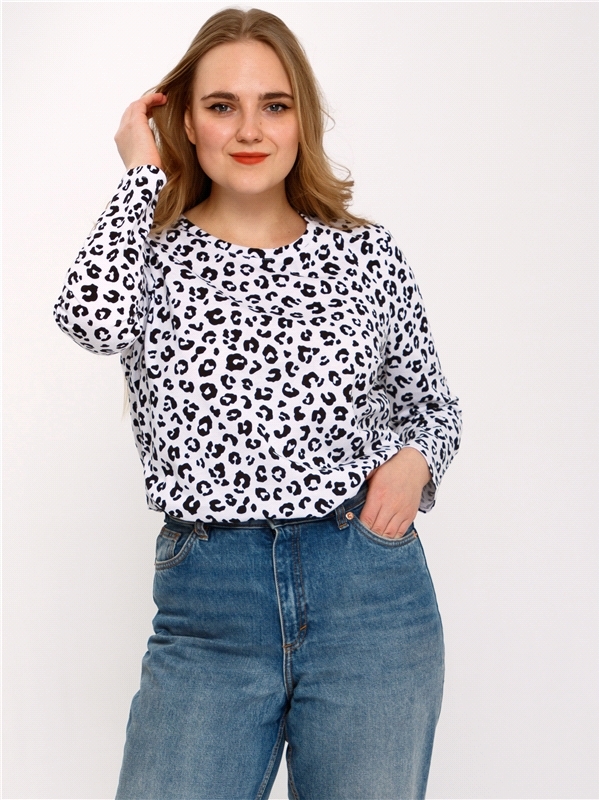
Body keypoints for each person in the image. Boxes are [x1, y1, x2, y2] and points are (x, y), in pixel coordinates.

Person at [54, 8, 462, 799]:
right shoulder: (150, 255)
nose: (249, 129)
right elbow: (89, 320)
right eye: (221, 105)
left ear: (301, 120)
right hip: (208, 608)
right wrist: (139, 172)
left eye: (274, 105)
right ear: (185, 120)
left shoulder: (364, 254)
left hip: (368, 595)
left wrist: (413, 464)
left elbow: (430, 405)